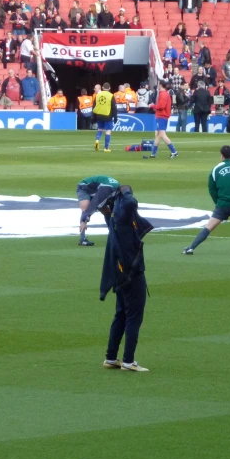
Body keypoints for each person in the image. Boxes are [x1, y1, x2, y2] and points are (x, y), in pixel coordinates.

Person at [100, 184, 154, 373]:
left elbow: (116, 207)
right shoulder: (123, 219)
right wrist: (126, 190)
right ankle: (129, 361)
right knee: (133, 317)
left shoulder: (112, 219)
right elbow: (131, 203)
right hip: (132, 274)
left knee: (121, 315)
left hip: (119, 274)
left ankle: (111, 357)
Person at [76, 175, 120, 247]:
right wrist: (84, 219)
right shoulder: (108, 189)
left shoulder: (116, 191)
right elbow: (95, 203)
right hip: (84, 188)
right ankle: (82, 239)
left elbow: (113, 208)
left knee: (107, 212)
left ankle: (113, 235)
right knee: (86, 209)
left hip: (97, 190)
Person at [149, 81, 179, 158]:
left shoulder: (163, 94)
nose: (157, 86)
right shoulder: (165, 94)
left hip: (161, 116)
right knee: (158, 135)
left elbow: (161, 106)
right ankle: (153, 154)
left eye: (158, 84)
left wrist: (153, 106)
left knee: (162, 134)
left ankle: (174, 151)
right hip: (163, 116)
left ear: (161, 85)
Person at [92, 82, 117, 152]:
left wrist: (93, 116)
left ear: (102, 88)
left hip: (99, 115)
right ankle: (106, 148)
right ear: (109, 88)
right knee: (108, 131)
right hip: (107, 115)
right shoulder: (111, 95)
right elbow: (114, 108)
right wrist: (115, 117)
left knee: (100, 129)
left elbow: (94, 106)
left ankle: (97, 140)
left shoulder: (98, 95)